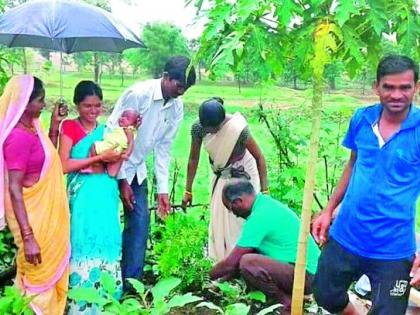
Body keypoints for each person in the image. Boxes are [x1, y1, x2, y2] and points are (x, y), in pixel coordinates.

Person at [312, 55, 419, 315]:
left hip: (393, 248)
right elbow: (353, 164)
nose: (397, 95)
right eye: (389, 87)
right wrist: (328, 210)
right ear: (376, 87)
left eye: (405, 87)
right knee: (325, 293)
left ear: (416, 87)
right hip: (347, 234)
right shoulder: (362, 119)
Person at [106, 56, 196, 290]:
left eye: (185, 89)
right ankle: (104, 280)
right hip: (111, 164)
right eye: (179, 86)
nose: (181, 92)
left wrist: (163, 191)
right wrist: (121, 179)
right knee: (107, 224)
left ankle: (131, 285)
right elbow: (113, 131)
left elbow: (164, 148)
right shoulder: (139, 94)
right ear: (166, 77)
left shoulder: (176, 106)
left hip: (137, 170)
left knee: (140, 224)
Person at [0, 75, 70, 314]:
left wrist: (54, 126)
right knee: (39, 276)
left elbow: (46, 161)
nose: (43, 104)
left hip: (43, 217)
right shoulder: (17, 137)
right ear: (24, 102)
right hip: (33, 218)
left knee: (42, 273)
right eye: (40, 100)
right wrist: (28, 237)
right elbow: (14, 189)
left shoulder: (33, 128)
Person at [58, 80, 123, 314]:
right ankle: (81, 304)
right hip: (82, 195)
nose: (93, 111)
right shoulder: (69, 128)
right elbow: (64, 164)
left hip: (104, 194)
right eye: (87, 106)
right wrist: (96, 159)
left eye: (97, 106)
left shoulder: (107, 131)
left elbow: (114, 168)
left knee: (106, 239)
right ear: (77, 105)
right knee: (81, 240)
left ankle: (107, 302)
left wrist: (126, 142)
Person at [211, 178, 320, 314]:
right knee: (249, 259)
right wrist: (220, 282)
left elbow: (231, 263)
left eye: (232, 209)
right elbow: (237, 261)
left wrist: (205, 276)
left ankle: (285, 304)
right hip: (303, 270)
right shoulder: (265, 204)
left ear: (238, 201)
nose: (235, 214)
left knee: (249, 263)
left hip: (307, 275)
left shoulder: (259, 217)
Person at [182, 97, 268, 261]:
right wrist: (188, 190)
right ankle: (222, 259)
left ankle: (245, 260)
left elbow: (259, 157)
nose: (213, 132)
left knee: (240, 217)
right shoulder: (198, 128)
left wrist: (265, 191)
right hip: (220, 173)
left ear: (223, 121)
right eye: (209, 129)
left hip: (244, 173)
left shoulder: (238, 129)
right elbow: (193, 159)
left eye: (216, 128)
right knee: (220, 219)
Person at [85, 108, 141, 176]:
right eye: (122, 116)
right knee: (111, 171)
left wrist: (127, 154)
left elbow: (131, 143)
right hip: (115, 149)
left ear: (133, 124)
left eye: (127, 118)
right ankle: (107, 172)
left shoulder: (128, 130)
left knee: (93, 146)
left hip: (111, 146)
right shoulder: (128, 130)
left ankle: (92, 165)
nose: (123, 118)